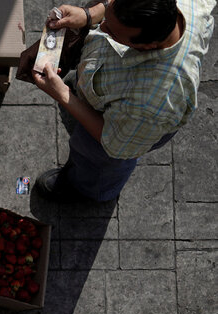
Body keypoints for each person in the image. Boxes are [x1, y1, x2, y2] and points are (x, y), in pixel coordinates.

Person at [32, 0, 214, 202]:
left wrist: (63, 94)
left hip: (126, 130)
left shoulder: (153, 102)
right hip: (107, 89)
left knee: (96, 160)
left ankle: (87, 190)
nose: (101, 28)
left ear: (147, 46)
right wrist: (90, 14)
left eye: (112, 31)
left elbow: (114, 142)